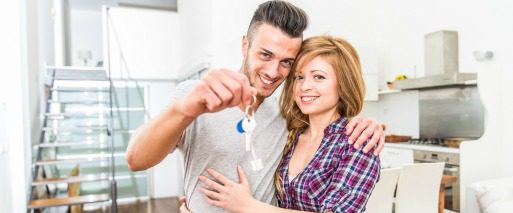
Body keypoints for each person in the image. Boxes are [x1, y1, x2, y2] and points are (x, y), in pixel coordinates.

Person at [126, 1, 384, 212]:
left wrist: (368, 124)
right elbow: (136, 159)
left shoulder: (285, 118)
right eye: (266, 55)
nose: (274, 71)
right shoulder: (195, 97)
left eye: (287, 62)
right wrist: (186, 110)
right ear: (245, 45)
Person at [197, 35, 380, 212]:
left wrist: (248, 206)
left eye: (318, 77)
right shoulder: (290, 133)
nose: (304, 86)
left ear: (343, 84)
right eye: (299, 77)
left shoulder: (357, 143)